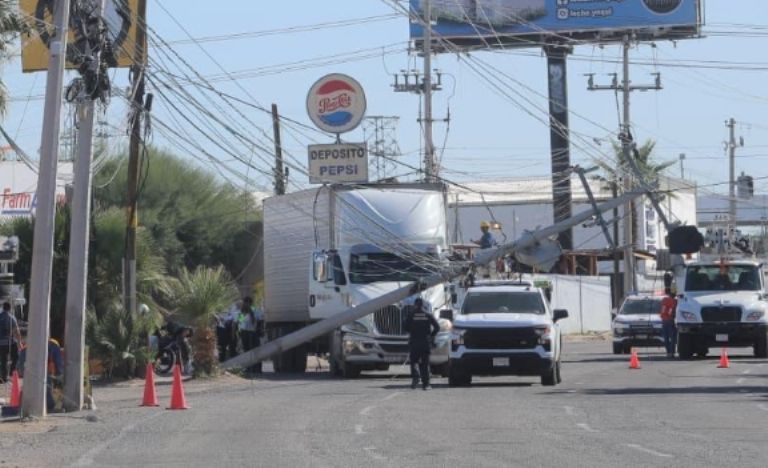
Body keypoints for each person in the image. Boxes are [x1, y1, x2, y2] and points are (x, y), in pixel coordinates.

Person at [403, 297, 439, 390]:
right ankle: (426, 384)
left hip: (414, 342)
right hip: (425, 342)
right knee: (425, 363)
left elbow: (405, 328)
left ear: (415, 305)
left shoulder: (411, 315)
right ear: (423, 305)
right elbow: (437, 327)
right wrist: (431, 335)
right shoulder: (428, 314)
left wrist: (412, 329)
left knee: (414, 361)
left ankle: (415, 376)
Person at [238, 297, 264, 374]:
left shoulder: (255, 310)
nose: (246, 304)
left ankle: (258, 368)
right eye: (245, 303)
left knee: (256, 350)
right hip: (244, 333)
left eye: (247, 303)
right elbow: (240, 322)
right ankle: (249, 368)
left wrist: (251, 313)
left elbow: (259, 321)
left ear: (250, 303)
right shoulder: (242, 312)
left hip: (253, 332)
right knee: (247, 350)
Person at [0, 301, 21, 383]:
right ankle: (12, 372)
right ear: (10, 308)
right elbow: (17, 331)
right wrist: (19, 342)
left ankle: (3, 377)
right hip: (9, 342)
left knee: (3, 360)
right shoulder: (11, 317)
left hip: (1, 343)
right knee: (15, 356)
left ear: (3, 308)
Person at [660, 288, 678, 358]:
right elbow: (672, 311)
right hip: (671, 320)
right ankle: (672, 352)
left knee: (666, 337)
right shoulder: (675, 301)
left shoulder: (664, 300)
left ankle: (668, 352)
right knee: (673, 337)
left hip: (664, 320)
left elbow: (663, 309)